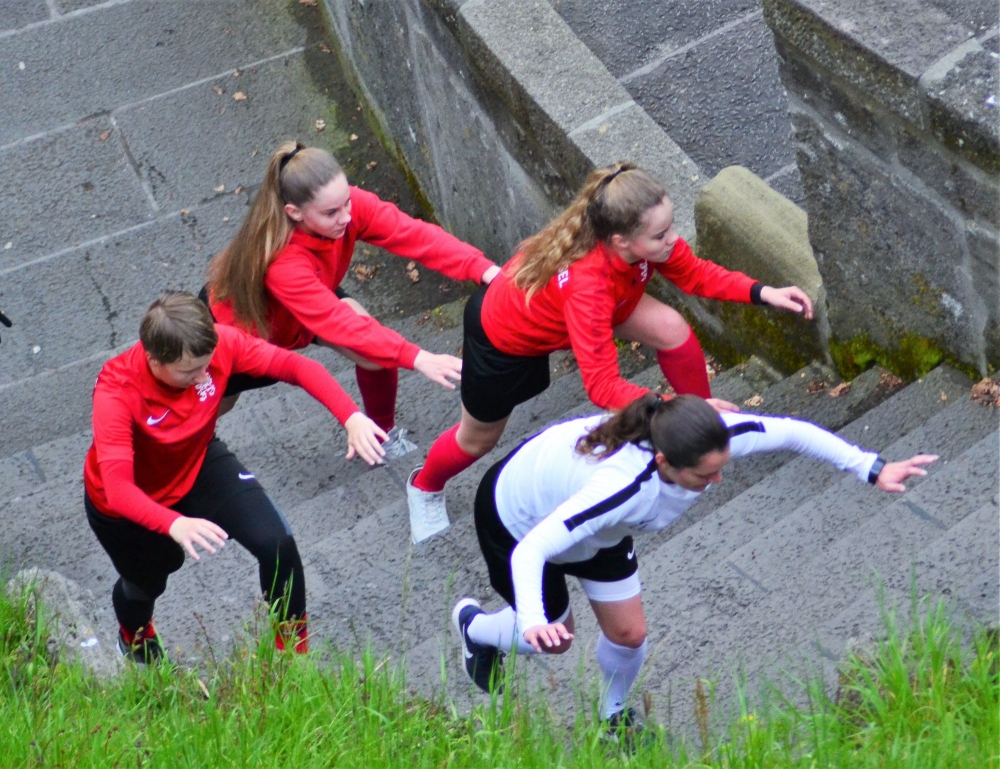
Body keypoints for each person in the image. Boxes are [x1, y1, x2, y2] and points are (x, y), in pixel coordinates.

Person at [452, 394, 937, 730]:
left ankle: (612, 716)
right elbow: (533, 549)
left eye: (720, 467)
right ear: (665, 463)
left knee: (630, 635)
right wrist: (533, 619)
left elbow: (792, 432)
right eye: (705, 476)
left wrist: (871, 467)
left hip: (599, 530)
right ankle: (475, 628)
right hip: (517, 522)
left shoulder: (704, 437)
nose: (717, 482)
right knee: (553, 640)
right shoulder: (622, 487)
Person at [407, 162, 815, 533]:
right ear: (621, 241)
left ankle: (700, 436)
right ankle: (424, 486)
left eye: (671, 226)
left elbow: (695, 274)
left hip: (586, 306)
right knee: (476, 441)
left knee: (672, 328)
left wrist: (764, 292)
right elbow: (601, 385)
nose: (673, 240)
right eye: (661, 235)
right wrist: (669, 406)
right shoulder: (589, 286)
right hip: (504, 340)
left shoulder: (636, 242)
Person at [205, 141, 501, 541]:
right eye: (332, 212)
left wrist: (484, 270)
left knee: (375, 354)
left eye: (346, 202)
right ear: (294, 213)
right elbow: (337, 324)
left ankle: (381, 433)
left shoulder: (343, 209)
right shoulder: (283, 262)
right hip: (244, 334)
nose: (347, 216)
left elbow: (412, 234)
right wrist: (416, 356)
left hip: (311, 300)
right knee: (209, 410)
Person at [84, 292, 387, 663]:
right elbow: (118, 489)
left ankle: (293, 656)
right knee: (148, 582)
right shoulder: (117, 390)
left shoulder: (222, 344)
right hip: (129, 504)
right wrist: (175, 523)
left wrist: (351, 416)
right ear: (153, 359)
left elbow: (296, 367)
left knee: (277, 544)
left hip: (197, 460)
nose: (203, 377)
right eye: (189, 372)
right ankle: (134, 636)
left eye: (206, 365)